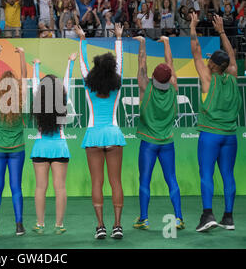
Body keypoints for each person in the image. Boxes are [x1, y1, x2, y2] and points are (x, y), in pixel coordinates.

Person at [189, 13, 242, 232]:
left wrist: (192, 26)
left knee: (206, 174)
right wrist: (221, 31)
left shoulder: (207, 78)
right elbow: (230, 56)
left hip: (210, 134)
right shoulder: (233, 76)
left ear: (213, 65)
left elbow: (196, 51)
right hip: (230, 135)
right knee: (228, 175)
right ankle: (228, 217)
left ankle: (207, 214)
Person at [75, 23, 125, 239]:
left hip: (94, 135)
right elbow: (120, 62)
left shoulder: (88, 83)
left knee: (97, 182)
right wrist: (119, 38)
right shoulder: (117, 82)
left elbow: (82, 63)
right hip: (113, 134)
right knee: (116, 182)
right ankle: (117, 225)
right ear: (112, 68)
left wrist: (82, 39)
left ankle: (101, 226)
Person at [132, 35, 185, 231]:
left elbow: (142, 62)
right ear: (170, 77)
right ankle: (178, 217)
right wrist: (168, 43)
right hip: (167, 142)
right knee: (171, 178)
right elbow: (169, 63)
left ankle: (144, 218)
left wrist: (143, 43)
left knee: (144, 179)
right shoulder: (173, 88)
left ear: (153, 77)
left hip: (148, 142)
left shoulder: (145, 87)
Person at [30, 52, 76, 235]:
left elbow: (35, 84)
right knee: (60, 188)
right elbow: (68, 81)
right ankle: (59, 225)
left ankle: (40, 224)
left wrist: (36, 66)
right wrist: (70, 62)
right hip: (59, 147)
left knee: (40, 187)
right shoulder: (63, 99)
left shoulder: (37, 100)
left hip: (41, 147)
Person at [0, 45, 27, 236]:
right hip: (17, 149)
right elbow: (25, 79)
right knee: (16, 187)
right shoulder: (22, 101)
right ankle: (19, 226)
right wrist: (22, 55)